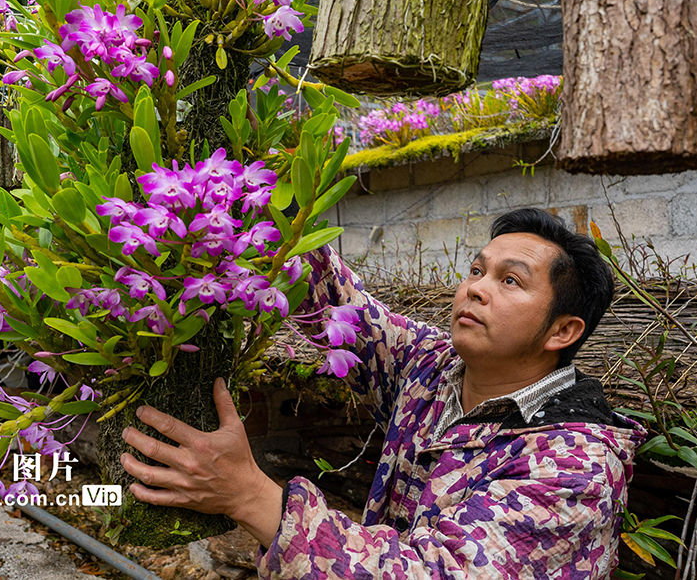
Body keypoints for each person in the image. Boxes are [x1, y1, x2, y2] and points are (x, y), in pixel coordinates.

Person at [120, 207, 646, 579]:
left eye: (511, 281)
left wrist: (249, 495)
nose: (475, 288)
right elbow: (341, 307)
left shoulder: (573, 465)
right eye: (477, 270)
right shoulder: (437, 367)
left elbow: (435, 574)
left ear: (562, 332)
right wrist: (265, 199)